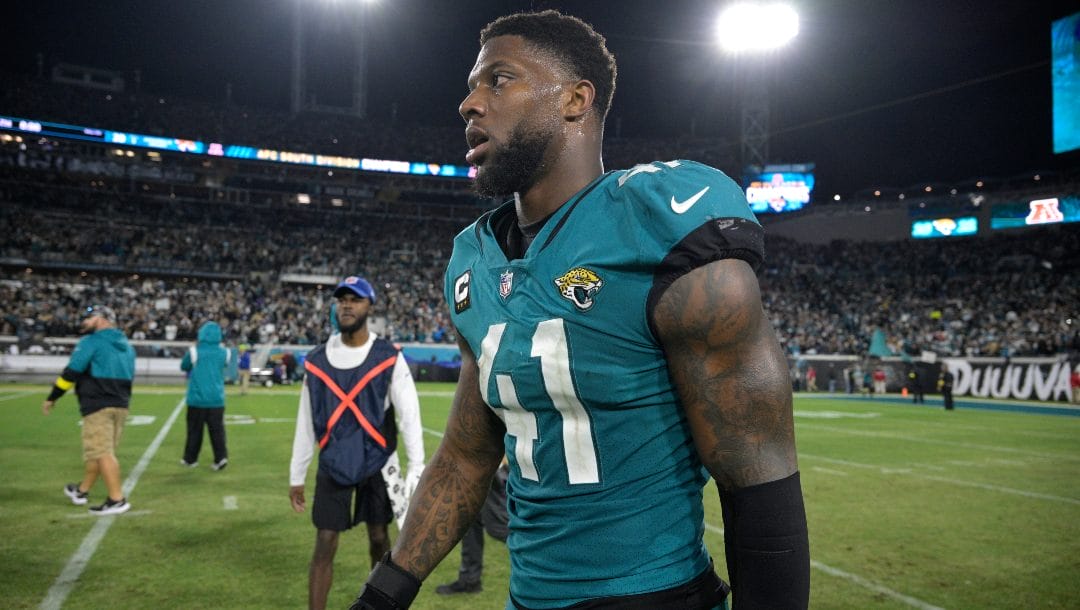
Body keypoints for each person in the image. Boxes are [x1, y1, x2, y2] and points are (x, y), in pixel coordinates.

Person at [351, 10, 808, 610]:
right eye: (471, 85)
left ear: (574, 99)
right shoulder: (474, 263)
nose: (469, 103)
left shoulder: (656, 221)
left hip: (657, 597)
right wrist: (383, 595)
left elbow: (760, 481)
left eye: (498, 80)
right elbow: (466, 458)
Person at [290, 276, 425, 610]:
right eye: (341, 300)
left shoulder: (389, 356)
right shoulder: (317, 360)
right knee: (324, 541)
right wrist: (297, 474)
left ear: (370, 307)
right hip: (334, 460)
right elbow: (306, 421)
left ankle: (379, 606)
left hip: (375, 460)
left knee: (379, 537)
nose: (347, 305)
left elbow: (410, 414)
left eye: (355, 299)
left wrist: (417, 466)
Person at [42, 304, 136, 515]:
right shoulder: (128, 347)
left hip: (97, 404)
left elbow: (71, 372)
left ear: (101, 319)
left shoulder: (90, 342)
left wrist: (52, 397)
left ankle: (116, 500)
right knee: (98, 452)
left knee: (101, 452)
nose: (84, 321)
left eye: (89, 317)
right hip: (121, 404)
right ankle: (82, 491)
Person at [435, 460, 510, 595]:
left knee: (499, 528)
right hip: (475, 465)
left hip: (492, 463)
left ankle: (549, 565)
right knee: (470, 518)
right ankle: (469, 581)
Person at [180, 320, 230, 470]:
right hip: (216, 399)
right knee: (218, 431)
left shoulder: (194, 351)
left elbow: (184, 366)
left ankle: (191, 459)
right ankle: (221, 458)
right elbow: (226, 366)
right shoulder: (224, 352)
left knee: (194, 431)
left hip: (197, 399)